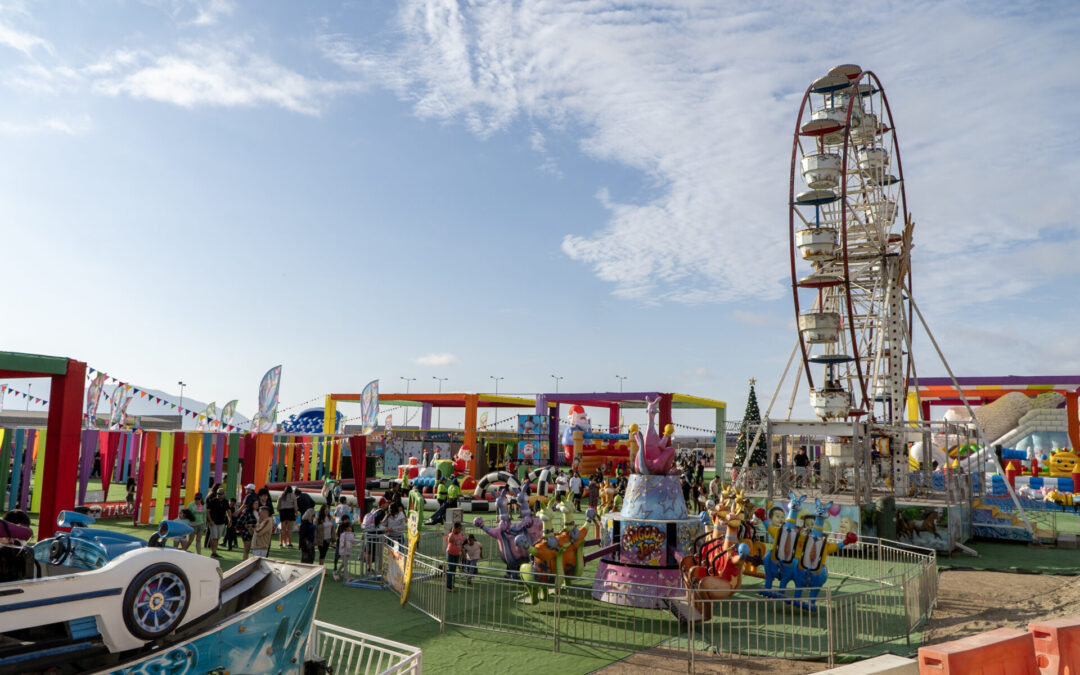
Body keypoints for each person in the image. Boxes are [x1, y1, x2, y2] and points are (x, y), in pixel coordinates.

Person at [205, 488, 229, 559]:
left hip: (221, 522)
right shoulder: (213, 501)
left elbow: (228, 510)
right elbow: (207, 511)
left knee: (217, 537)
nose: (219, 495)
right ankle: (213, 552)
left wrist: (230, 519)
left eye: (221, 494)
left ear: (224, 495)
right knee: (214, 537)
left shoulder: (225, 502)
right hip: (213, 522)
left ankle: (214, 552)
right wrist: (210, 520)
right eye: (218, 494)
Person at [444, 521, 465, 591]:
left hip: (456, 555)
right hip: (450, 554)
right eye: (458, 528)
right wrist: (452, 532)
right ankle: (448, 586)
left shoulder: (460, 536)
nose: (459, 530)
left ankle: (452, 584)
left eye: (460, 529)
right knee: (450, 569)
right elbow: (449, 540)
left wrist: (463, 553)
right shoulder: (451, 534)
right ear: (455, 528)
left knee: (453, 570)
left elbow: (461, 545)